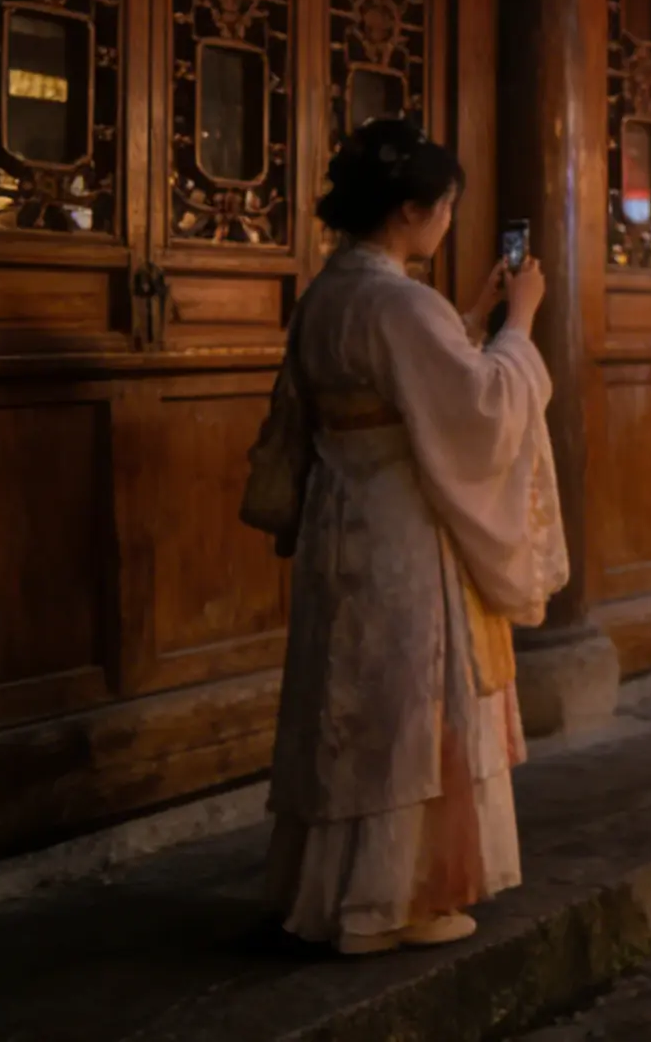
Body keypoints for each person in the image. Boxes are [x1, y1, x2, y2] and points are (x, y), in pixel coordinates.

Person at [242, 118, 568, 956]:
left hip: (340, 515)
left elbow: (402, 381)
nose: (449, 221)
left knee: (345, 702)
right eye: (446, 206)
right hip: (406, 528)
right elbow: (479, 410)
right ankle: (393, 899)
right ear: (411, 210)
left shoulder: (329, 293)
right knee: (408, 710)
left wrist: (472, 318)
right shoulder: (402, 303)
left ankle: (328, 893)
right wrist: (520, 323)